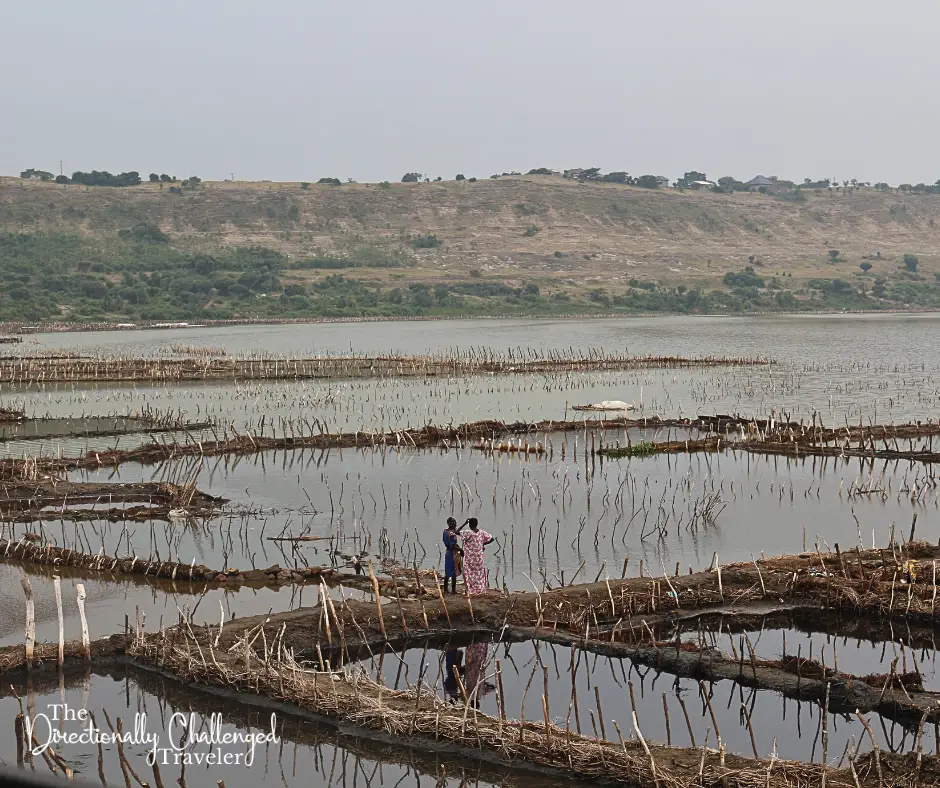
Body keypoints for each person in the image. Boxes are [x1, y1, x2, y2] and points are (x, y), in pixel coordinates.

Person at [456, 517, 493, 595]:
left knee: (470, 573)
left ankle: (471, 590)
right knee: (479, 574)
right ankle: (480, 589)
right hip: (479, 558)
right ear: (477, 524)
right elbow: (492, 538)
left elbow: (457, 532)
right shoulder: (482, 533)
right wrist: (482, 543)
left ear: (469, 525)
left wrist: (464, 523)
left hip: (470, 558)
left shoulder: (468, 533)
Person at [442, 517, 463, 594]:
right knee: (454, 571)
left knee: (447, 572)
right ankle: (453, 590)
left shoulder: (445, 531)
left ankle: (445, 589)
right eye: (455, 523)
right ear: (453, 524)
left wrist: (465, 523)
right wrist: (461, 550)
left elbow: (457, 531)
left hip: (448, 553)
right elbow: (453, 545)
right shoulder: (451, 533)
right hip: (452, 553)